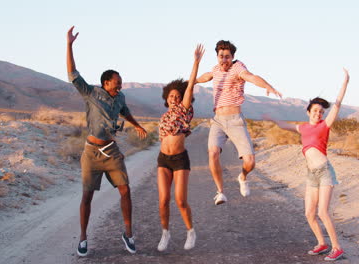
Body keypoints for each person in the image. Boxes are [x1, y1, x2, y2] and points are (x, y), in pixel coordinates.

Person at [66, 26, 147, 257]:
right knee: (87, 196)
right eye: (117, 82)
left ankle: (128, 234)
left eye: (120, 82)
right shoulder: (90, 93)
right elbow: (72, 73)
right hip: (91, 154)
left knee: (125, 190)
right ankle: (83, 238)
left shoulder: (120, 97)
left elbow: (125, 112)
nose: (120, 84)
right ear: (106, 82)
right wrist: (69, 45)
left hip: (112, 152)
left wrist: (137, 125)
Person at [263, 69, 350, 261]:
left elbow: (337, 105)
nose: (318, 113)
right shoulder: (302, 127)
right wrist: (272, 118)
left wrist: (345, 82)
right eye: (315, 110)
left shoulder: (324, 125)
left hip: (325, 172)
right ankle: (322, 243)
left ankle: (337, 247)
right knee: (309, 213)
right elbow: (285, 126)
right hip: (311, 174)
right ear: (308, 112)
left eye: (320, 111)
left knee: (322, 212)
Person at [196, 40, 282, 205]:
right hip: (218, 120)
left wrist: (267, 86)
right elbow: (206, 76)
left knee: (250, 162)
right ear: (217, 57)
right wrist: (191, 81)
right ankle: (220, 192)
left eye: (227, 57)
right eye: (221, 56)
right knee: (212, 153)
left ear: (233, 57)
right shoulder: (215, 69)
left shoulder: (238, 68)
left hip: (235, 120)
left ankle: (242, 177)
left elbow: (251, 77)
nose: (224, 60)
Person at [156, 44, 205, 252]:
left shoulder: (184, 111)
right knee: (163, 201)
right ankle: (165, 233)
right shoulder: (164, 116)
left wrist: (195, 62)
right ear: (166, 99)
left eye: (177, 95)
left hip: (180, 160)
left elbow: (191, 85)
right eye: (171, 96)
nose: (174, 98)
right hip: (163, 159)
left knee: (180, 200)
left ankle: (190, 231)